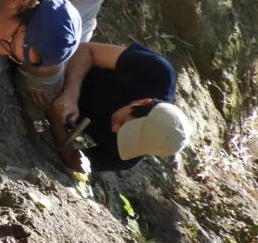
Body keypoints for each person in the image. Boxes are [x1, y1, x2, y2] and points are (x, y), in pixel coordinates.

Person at [38, 41, 192, 172]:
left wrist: (55, 118)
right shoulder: (158, 75)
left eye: (127, 137)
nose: (114, 129)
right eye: (124, 123)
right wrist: (70, 94)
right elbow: (85, 50)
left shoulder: (128, 153)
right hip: (72, 62)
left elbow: (75, 161)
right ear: (143, 102)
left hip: (54, 99)